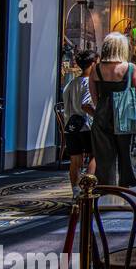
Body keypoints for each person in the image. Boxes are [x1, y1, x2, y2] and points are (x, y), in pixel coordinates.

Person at [85, 32, 136, 187]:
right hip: (125, 115)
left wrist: (104, 107)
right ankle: (131, 191)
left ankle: (106, 192)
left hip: (103, 114)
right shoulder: (130, 68)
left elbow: (94, 96)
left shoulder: (96, 69)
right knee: (127, 156)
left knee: (104, 158)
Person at [62, 49, 96, 190]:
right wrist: (98, 116)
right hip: (86, 126)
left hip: (71, 126)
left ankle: (75, 191)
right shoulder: (89, 83)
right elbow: (86, 104)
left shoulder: (72, 83)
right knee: (95, 156)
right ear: (93, 64)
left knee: (75, 160)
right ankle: (87, 190)